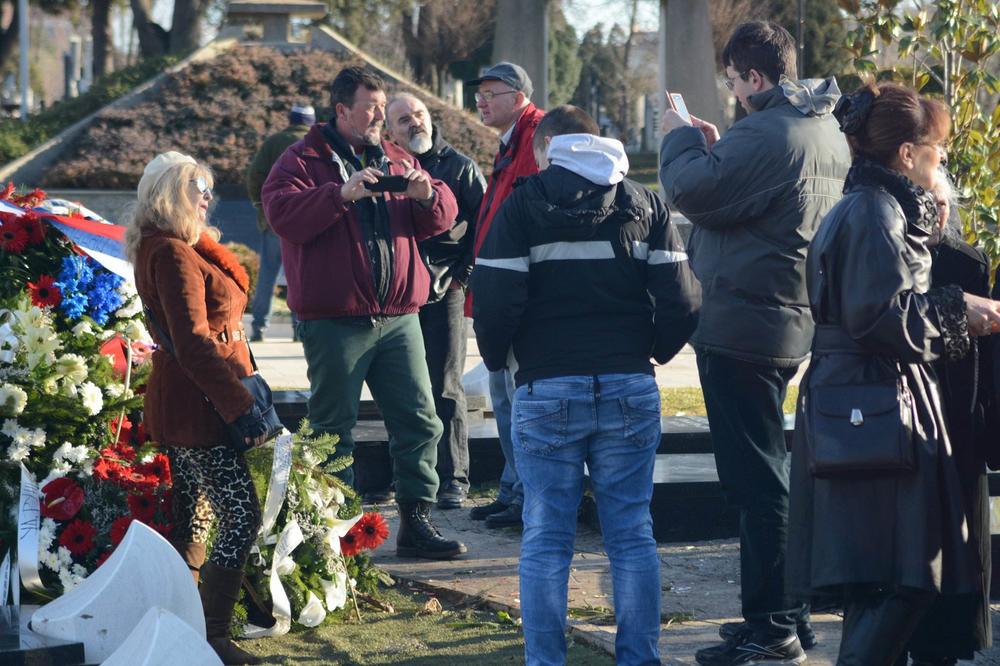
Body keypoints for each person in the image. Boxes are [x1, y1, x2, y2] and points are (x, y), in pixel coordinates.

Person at [473, 105, 701, 665]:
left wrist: (504, 359)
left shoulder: (522, 203)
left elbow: (496, 301)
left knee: (546, 536)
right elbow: (685, 299)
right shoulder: (644, 203)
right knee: (630, 534)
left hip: (546, 387)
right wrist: (652, 350)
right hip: (628, 383)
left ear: (549, 146)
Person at [786, 82, 1000, 665]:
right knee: (899, 582)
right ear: (906, 155)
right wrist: (963, 309)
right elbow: (880, 316)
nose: (944, 162)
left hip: (871, 406)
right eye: (937, 151)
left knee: (892, 582)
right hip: (873, 410)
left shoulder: (871, 206)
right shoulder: (874, 211)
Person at [658, 21, 851, 664]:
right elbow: (748, 193)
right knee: (769, 475)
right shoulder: (822, 125)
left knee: (758, 483)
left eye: (736, 81)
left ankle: (774, 628)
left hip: (744, 325)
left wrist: (681, 140)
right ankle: (784, 618)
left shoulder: (768, 129)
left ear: (756, 77)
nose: (734, 93)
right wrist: (717, 149)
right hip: (788, 316)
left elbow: (693, 192)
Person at [261, 67, 466, 560]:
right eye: (371, 107)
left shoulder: (395, 155)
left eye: (382, 106)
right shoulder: (301, 159)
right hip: (336, 321)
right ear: (342, 111)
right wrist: (340, 195)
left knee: (420, 421)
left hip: (399, 317)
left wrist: (428, 195)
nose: (380, 116)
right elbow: (279, 214)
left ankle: (416, 522)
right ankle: (337, 532)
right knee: (333, 428)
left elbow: (444, 215)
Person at [126, 152, 267, 665]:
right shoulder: (171, 253)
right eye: (196, 187)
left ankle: (191, 629)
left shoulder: (177, 245)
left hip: (192, 400)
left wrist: (200, 233)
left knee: (198, 516)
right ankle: (211, 635)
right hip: (200, 404)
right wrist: (239, 406)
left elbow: (235, 289)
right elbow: (192, 342)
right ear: (168, 193)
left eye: (208, 186)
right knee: (239, 514)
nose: (208, 195)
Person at [894, 171, 997, 665]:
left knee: (959, 552)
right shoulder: (888, 255)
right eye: (925, 200)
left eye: (941, 201)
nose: (935, 211)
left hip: (956, 424)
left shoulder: (966, 261)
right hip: (902, 422)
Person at [385, 92, 487, 509]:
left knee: (445, 385)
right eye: (405, 119)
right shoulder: (382, 168)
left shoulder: (460, 167)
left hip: (444, 288)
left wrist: (462, 276)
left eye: (420, 115)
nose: (415, 123)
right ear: (390, 130)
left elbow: (484, 227)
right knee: (401, 388)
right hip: (396, 294)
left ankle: (453, 477)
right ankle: (408, 474)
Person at [464, 61, 545, 528]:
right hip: (499, 292)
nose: (481, 100)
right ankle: (513, 488)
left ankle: (525, 497)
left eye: (491, 92)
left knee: (517, 398)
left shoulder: (534, 138)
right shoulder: (513, 140)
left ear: (517, 97)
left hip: (518, 296)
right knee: (504, 396)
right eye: (480, 92)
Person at [245, 104, 315, 342]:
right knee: (302, 275)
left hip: (275, 220)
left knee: (268, 275)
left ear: (291, 119)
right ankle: (299, 327)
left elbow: (255, 175)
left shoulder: (274, 142)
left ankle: (258, 328)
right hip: (306, 220)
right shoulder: (318, 143)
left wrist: (260, 206)